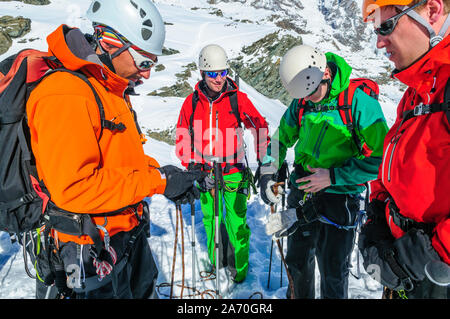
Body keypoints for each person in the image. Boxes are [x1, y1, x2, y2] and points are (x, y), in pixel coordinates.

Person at [26, 0, 205, 299]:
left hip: (123, 238)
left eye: (152, 64)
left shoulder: (109, 88)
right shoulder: (66, 94)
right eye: (144, 62)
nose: (147, 74)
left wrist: (164, 176)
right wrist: (158, 182)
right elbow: (74, 188)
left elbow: (117, 158)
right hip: (85, 254)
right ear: (110, 43)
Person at [261, 45, 389, 299]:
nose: (307, 101)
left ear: (326, 74)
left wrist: (333, 177)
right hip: (302, 192)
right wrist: (268, 169)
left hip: (340, 199)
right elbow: (279, 138)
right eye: (303, 97)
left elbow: (382, 158)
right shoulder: (302, 101)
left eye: (311, 94)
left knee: (332, 271)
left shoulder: (357, 104)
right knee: (297, 262)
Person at [359, 0, 450, 299]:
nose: (379, 41)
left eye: (386, 26)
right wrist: (377, 215)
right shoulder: (415, 94)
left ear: (432, 11)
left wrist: (419, 256)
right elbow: (389, 168)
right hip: (408, 273)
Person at [175, 44, 270, 283]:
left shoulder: (238, 99)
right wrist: (191, 166)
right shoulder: (192, 102)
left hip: (234, 171)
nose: (218, 79)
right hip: (205, 172)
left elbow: (259, 126)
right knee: (211, 220)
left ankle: (240, 270)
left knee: (236, 221)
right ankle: (217, 263)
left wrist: (266, 161)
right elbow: (182, 135)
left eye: (222, 72)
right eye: (212, 73)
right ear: (202, 74)